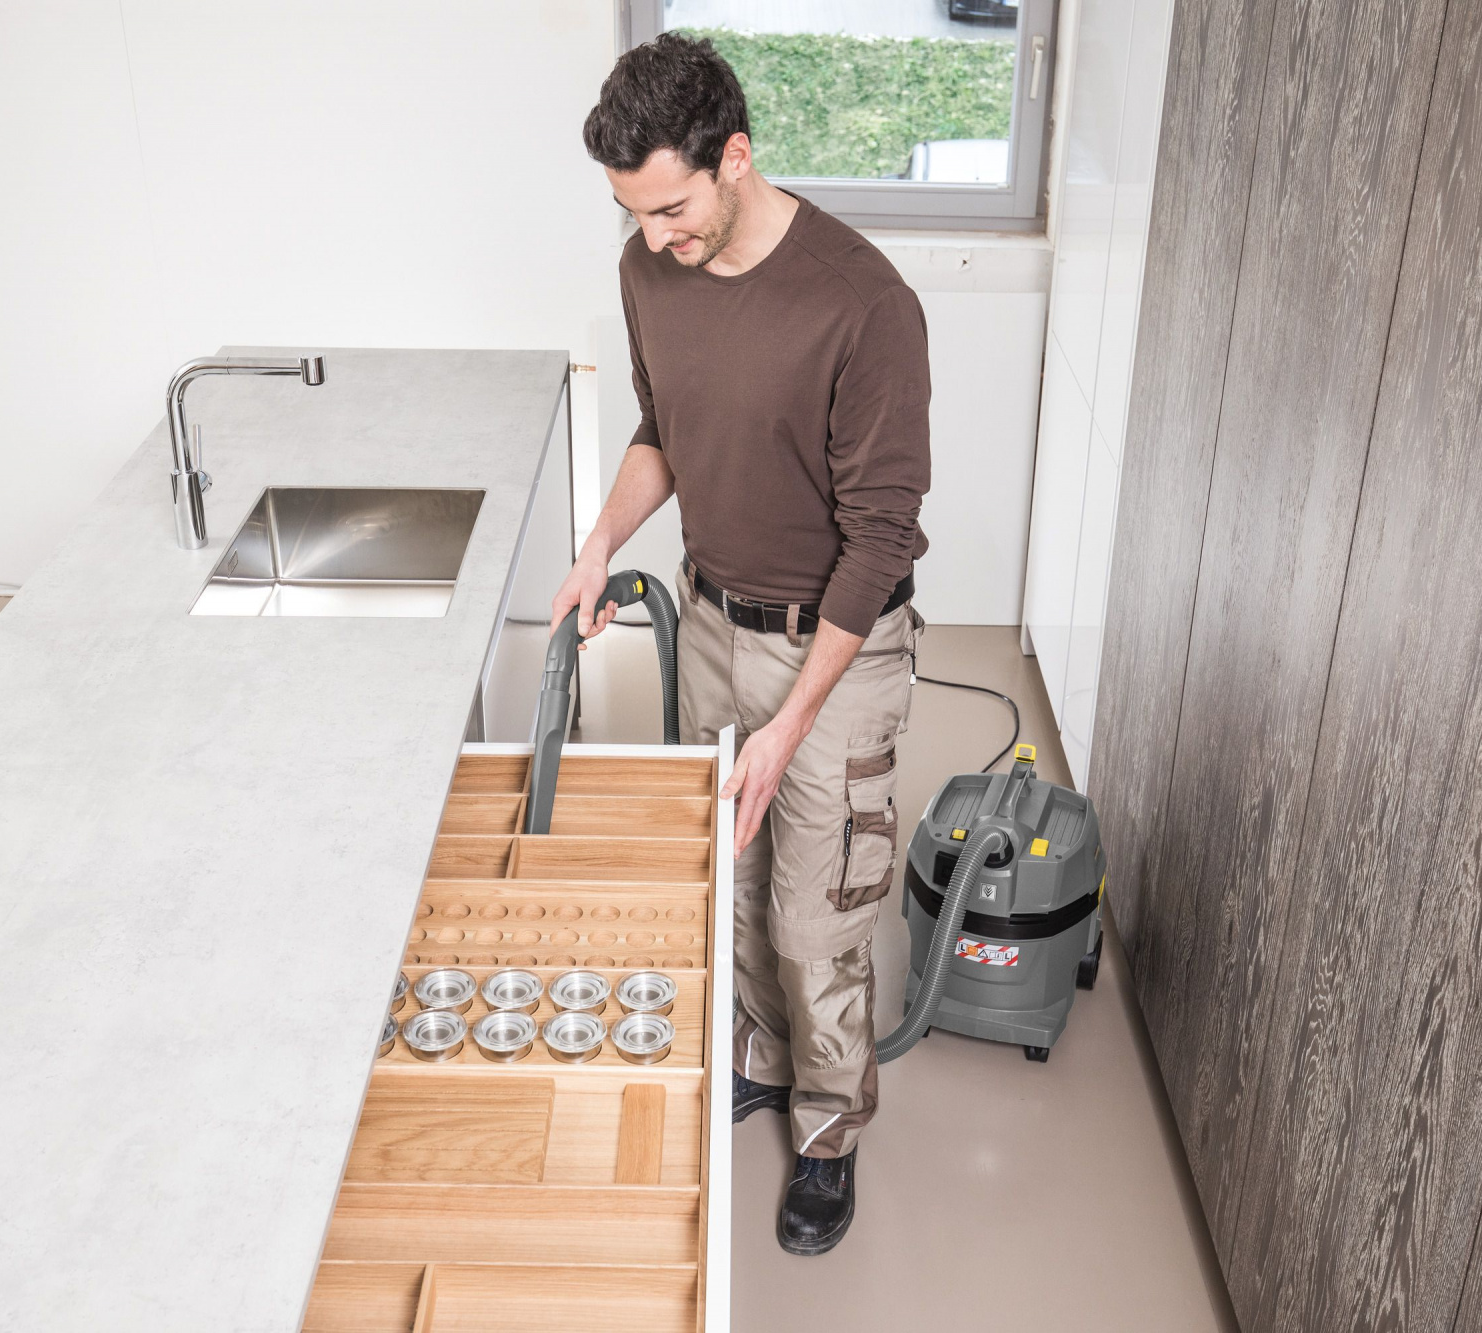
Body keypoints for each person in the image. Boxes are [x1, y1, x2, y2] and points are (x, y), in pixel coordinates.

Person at [555, 33, 930, 1256]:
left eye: (669, 208)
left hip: (834, 650)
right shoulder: (648, 266)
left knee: (818, 921)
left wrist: (791, 720)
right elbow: (662, 428)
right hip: (712, 618)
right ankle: (767, 1061)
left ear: (734, 156)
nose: (652, 237)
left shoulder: (861, 304)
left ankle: (827, 1130)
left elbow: (877, 541)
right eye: (632, 213)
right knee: (739, 879)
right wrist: (596, 544)